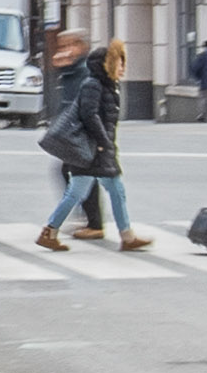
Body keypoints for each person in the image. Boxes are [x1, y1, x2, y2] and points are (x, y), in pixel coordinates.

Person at [33, 27, 137, 250]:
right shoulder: (94, 84)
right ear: (108, 64)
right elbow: (89, 115)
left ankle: (127, 236)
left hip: (98, 148)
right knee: (78, 193)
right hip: (92, 149)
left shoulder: (107, 85)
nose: (123, 67)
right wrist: (103, 142)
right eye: (120, 62)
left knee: (115, 191)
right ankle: (50, 231)